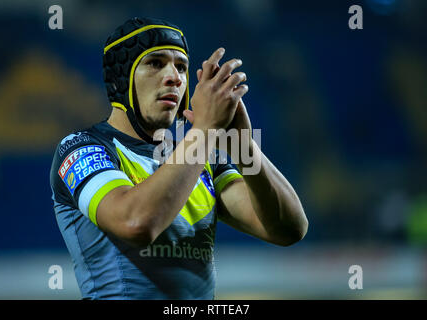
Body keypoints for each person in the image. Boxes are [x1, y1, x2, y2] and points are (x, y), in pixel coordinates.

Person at [50, 17, 308, 300]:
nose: (175, 77)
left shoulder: (202, 157)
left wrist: (243, 145)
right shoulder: (82, 148)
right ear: (121, 79)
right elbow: (136, 223)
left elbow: (289, 229)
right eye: (155, 63)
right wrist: (204, 131)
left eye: (182, 67)